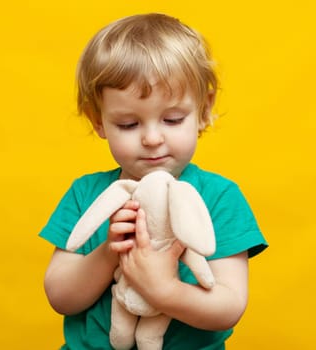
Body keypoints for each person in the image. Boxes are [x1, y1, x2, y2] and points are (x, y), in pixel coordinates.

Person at [39, 13, 268, 349]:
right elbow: (60, 296)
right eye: (129, 125)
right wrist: (108, 254)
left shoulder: (220, 197)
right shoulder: (85, 194)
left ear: (204, 110)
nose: (151, 138)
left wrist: (164, 290)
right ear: (98, 121)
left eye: (172, 119)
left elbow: (228, 307)